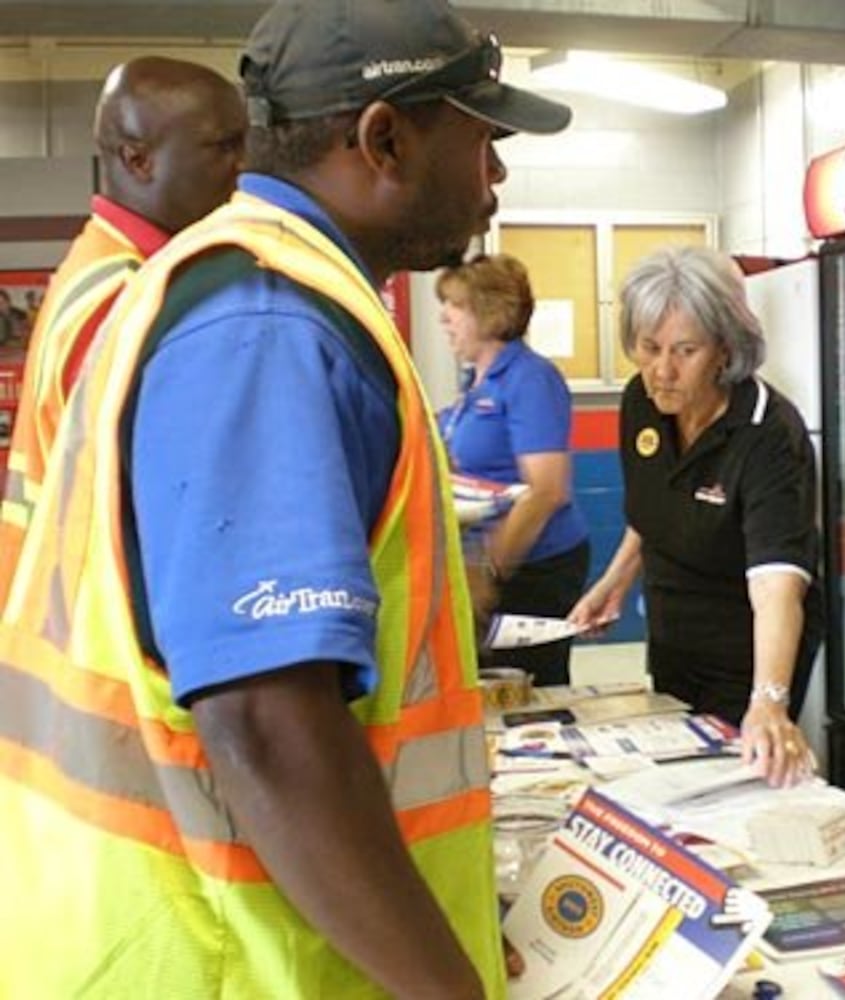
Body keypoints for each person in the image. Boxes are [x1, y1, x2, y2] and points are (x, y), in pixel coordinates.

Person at [0, 0, 570, 996]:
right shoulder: (268, 323)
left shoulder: (261, 293)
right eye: (481, 138)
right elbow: (266, 723)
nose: (497, 175)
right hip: (217, 955)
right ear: (384, 138)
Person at [569, 245, 823, 786]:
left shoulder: (768, 434)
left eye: (685, 350)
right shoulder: (642, 400)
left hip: (750, 648)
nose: (662, 370)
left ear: (725, 349)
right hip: (671, 632)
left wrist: (769, 701)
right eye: (649, 347)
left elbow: (777, 586)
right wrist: (613, 582)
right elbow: (657, 504)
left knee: (734, 782)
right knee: (676, 777)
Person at [0, 56, 245, 604]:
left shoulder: (107, 269)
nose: (243, 168)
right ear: (138, 159)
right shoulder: (129, 299)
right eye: (223, 146)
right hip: (102, 644)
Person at [436, 253, 590, 685]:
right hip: (492, 560)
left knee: (527, 687)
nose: (443, 318)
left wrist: (488, 572)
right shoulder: (478, 382)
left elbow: (546, 491)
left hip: (534, 566)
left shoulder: (530, 378)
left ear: (490, 313)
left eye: (455, 306)